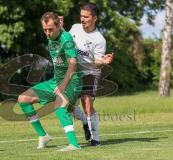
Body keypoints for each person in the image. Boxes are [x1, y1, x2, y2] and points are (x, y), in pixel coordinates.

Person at [18, 12, 82, 152]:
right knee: (23, 99)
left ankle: (74, 145)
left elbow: (73, 64)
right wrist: (58, 84)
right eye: (45, 29)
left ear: (58, 25)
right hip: (56, 81)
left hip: (73, 81)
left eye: (50, 29)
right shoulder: (52, 36)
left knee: (60, 105)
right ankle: (43, 136)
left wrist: (63, 85)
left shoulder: (66, 38)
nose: (47, 33)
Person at [69, 2, 114, 146]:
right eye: (81, 16)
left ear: (94, 18)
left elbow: (96, 62)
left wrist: (103, 62)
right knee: (68, 104)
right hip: (73, 71)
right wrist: (60, 28)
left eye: (86, 17)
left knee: (86, 102)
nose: (82, 19)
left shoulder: (99, 39)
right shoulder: (75, 28)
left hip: (90, 72)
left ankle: (95, 139)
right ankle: (84, 122)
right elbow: (65, 43)